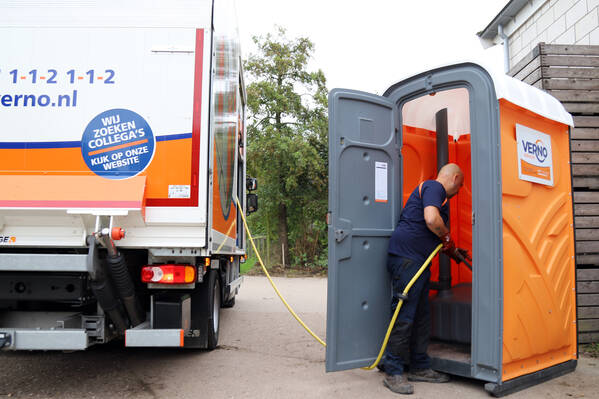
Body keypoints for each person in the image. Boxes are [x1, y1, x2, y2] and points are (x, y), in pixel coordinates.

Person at [382, 163, 471, 395]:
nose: (459, 190)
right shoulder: (434, 187)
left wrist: (454, 251)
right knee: (405, 316)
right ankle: (393, 370)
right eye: (460, 185)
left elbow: (436, 235)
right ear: (454, 178)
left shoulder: (438, 196)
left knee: (421, 316)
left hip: (418, 262)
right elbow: (432, 221)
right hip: (407, 260)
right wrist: (448, 237)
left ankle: (419, 366)